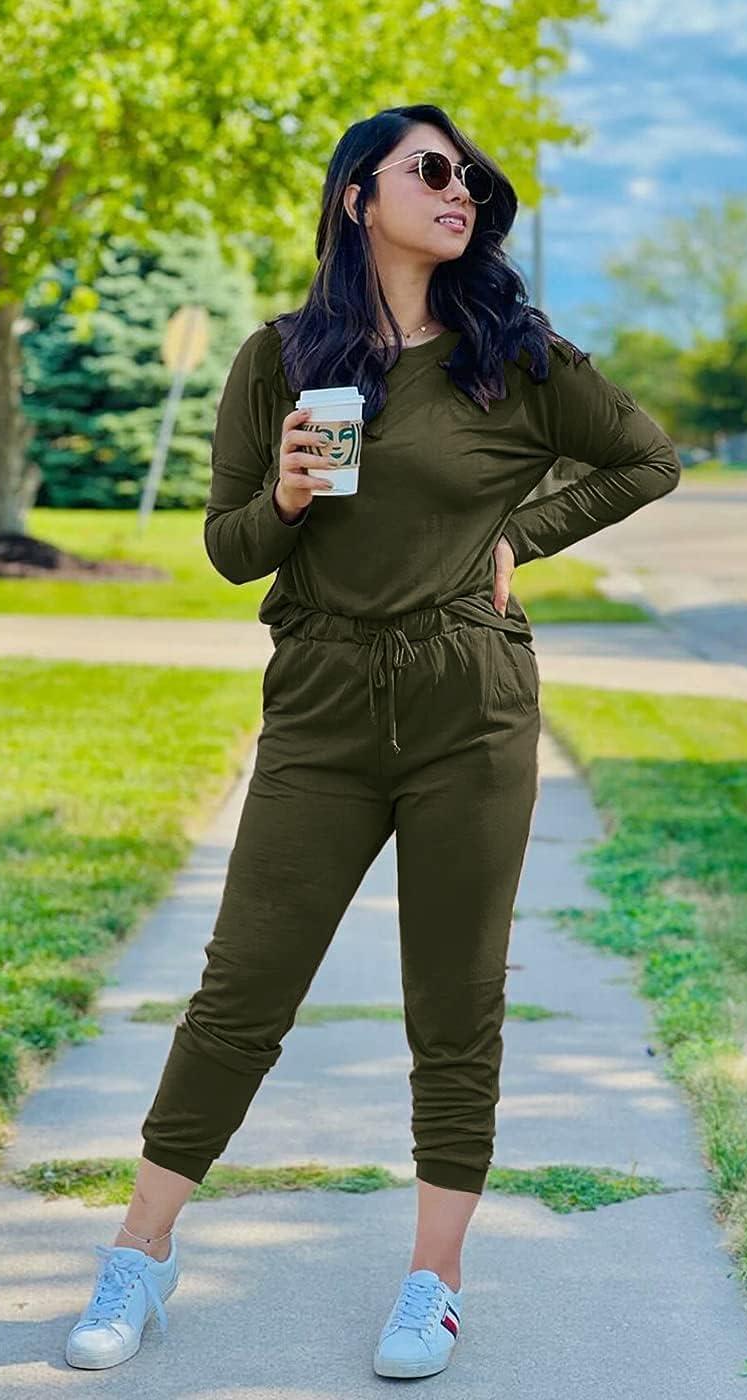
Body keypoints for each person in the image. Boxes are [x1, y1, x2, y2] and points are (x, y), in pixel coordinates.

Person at [65, 101, 681, 1377]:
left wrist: (520, 536)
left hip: (470, 704)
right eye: (431, 170)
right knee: (242, 990)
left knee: (454, 1004)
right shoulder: (279, 358)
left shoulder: (513, 355)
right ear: (358, 196)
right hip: (322, 702)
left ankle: (432, 1281)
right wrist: (286, 495)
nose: (461, 192)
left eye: (472, 180)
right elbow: (229, 548)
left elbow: (645, 458)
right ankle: (140, 1250)